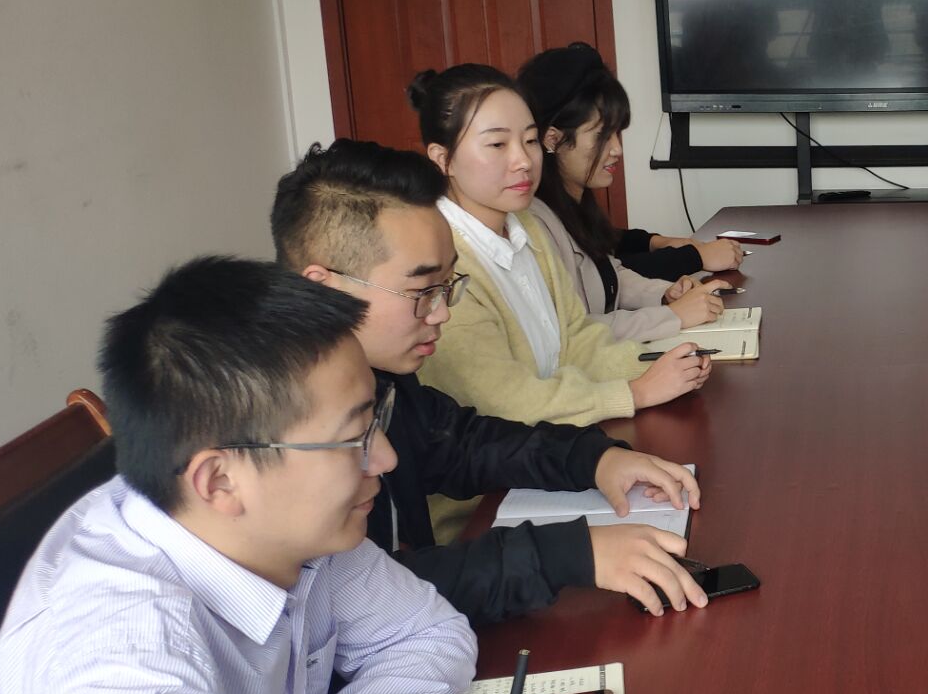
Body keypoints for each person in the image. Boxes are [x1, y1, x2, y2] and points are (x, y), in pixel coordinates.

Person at [0, 257, 545, 694]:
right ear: (219, 480)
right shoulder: (124, 672)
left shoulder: (270, 525)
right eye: (353, 436)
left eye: (373, 417)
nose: (385, 458)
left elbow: (428, 637)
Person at [272, 139, 710, 618]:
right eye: (421, 291)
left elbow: (465, 444)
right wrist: (568, 554)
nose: (442, 312)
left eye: (447, 286)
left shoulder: (384, 380)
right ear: (324, 289)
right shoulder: (276, 429)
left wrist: (595, 459)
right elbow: (363, 595)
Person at [409, 64, 713, 427]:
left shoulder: (525, 226)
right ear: (443, 159)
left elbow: (575, 339)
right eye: (497, 144)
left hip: (557, 437)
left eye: (530, 140)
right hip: (504, 456)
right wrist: (637, 392)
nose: (524, 160)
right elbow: (503, 402)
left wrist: (657, 367)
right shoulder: (437, 259)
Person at [515, 44, 726, 343]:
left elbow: (608, 277)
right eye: (602, 136)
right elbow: (571, 334)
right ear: (553, 139)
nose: (617, 149)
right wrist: (673, 316)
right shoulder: (534, 224)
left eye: (618, 133)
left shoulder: (575, 204)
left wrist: (665, 294)